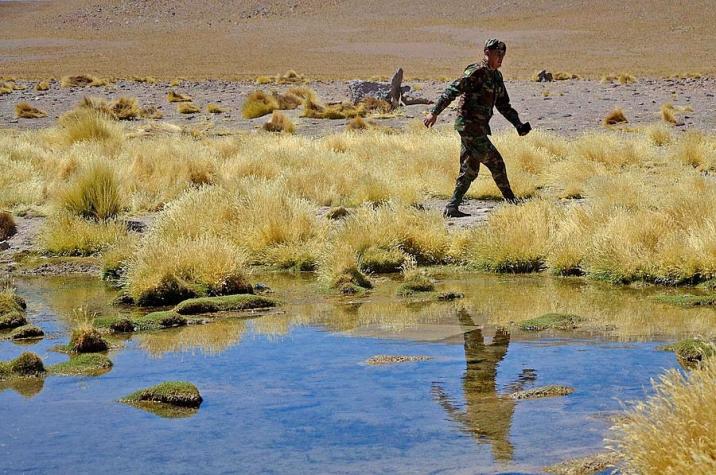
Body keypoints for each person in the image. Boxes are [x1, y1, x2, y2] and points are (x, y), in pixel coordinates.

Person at [424, 39, 531, 218]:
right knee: (496, 162)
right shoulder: (476, 72)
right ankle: (512, 202)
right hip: (468, 126)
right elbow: (452, 90)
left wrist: (518, 124)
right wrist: (434, 113)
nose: (501, 58)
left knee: (469, 170)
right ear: (487, 53)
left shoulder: (496, 77)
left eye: (503, 55)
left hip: (478, 128)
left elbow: (504, 105)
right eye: (498, 54)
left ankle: (452, 207)